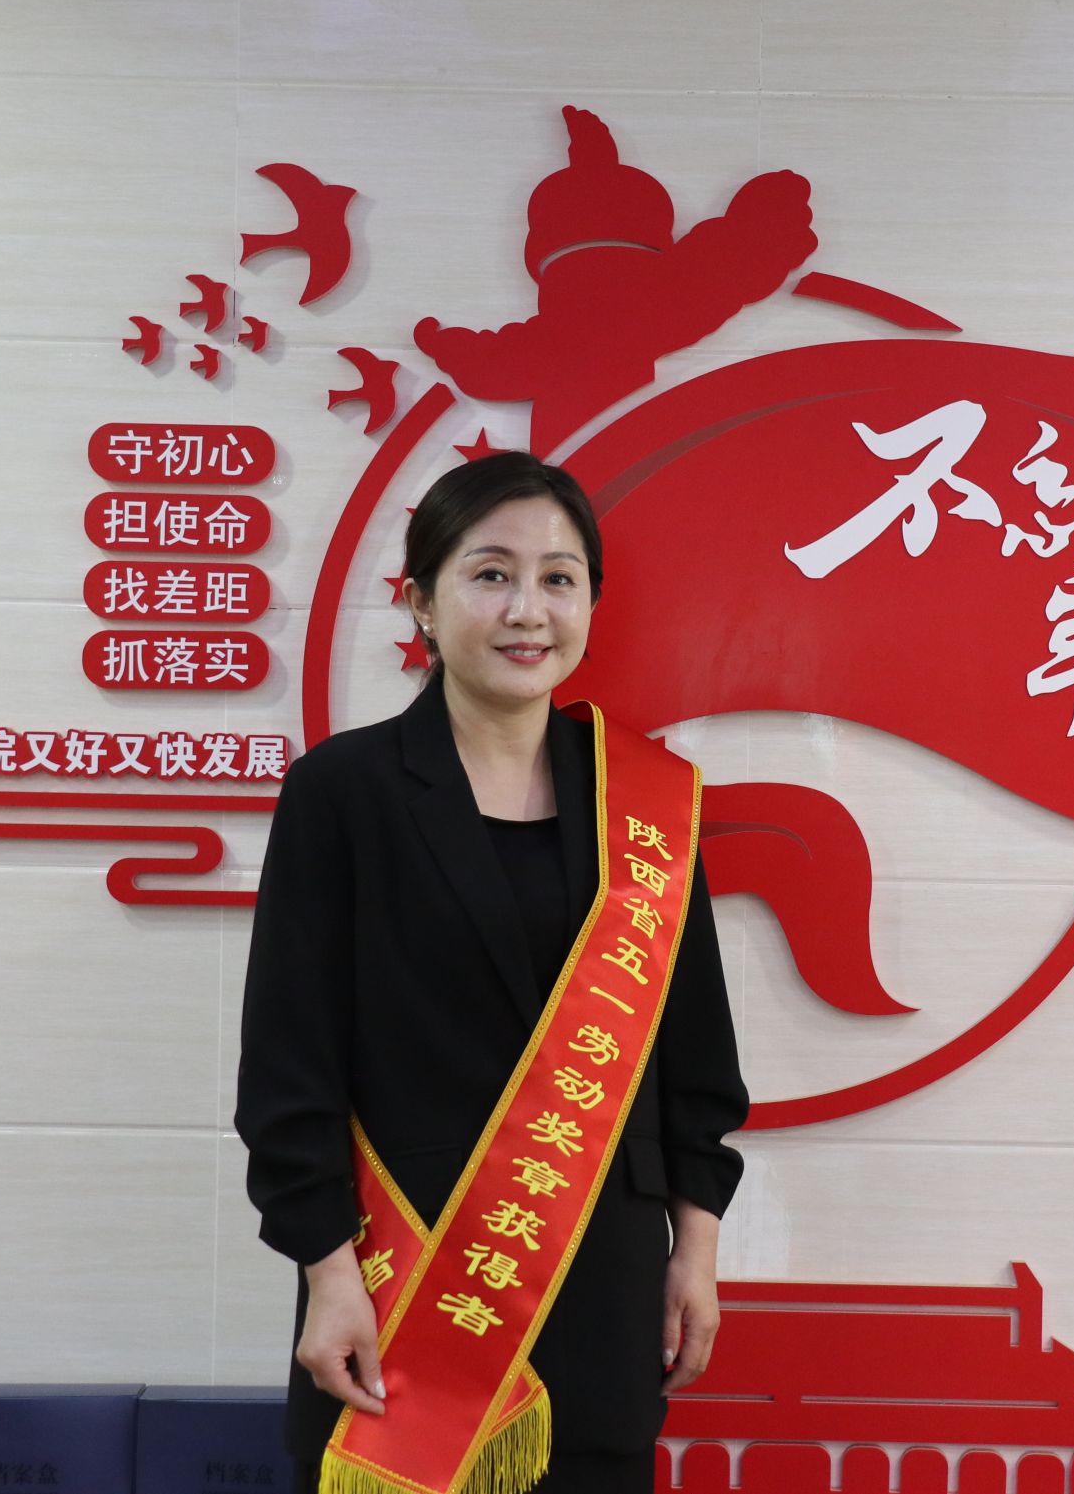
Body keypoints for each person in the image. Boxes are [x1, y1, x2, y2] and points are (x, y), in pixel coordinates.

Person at [234, 452, 749, 1494]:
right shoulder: (344, 790)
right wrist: (324, 1271)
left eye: (559, 578)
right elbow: (290, 1063)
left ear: (590, 603)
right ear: (421, 601)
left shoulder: (648, 804)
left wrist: (693, 1251)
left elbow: (694, 1057)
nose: (528, 610)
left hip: (601, 1280)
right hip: (399, 1279)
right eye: (490, 574)